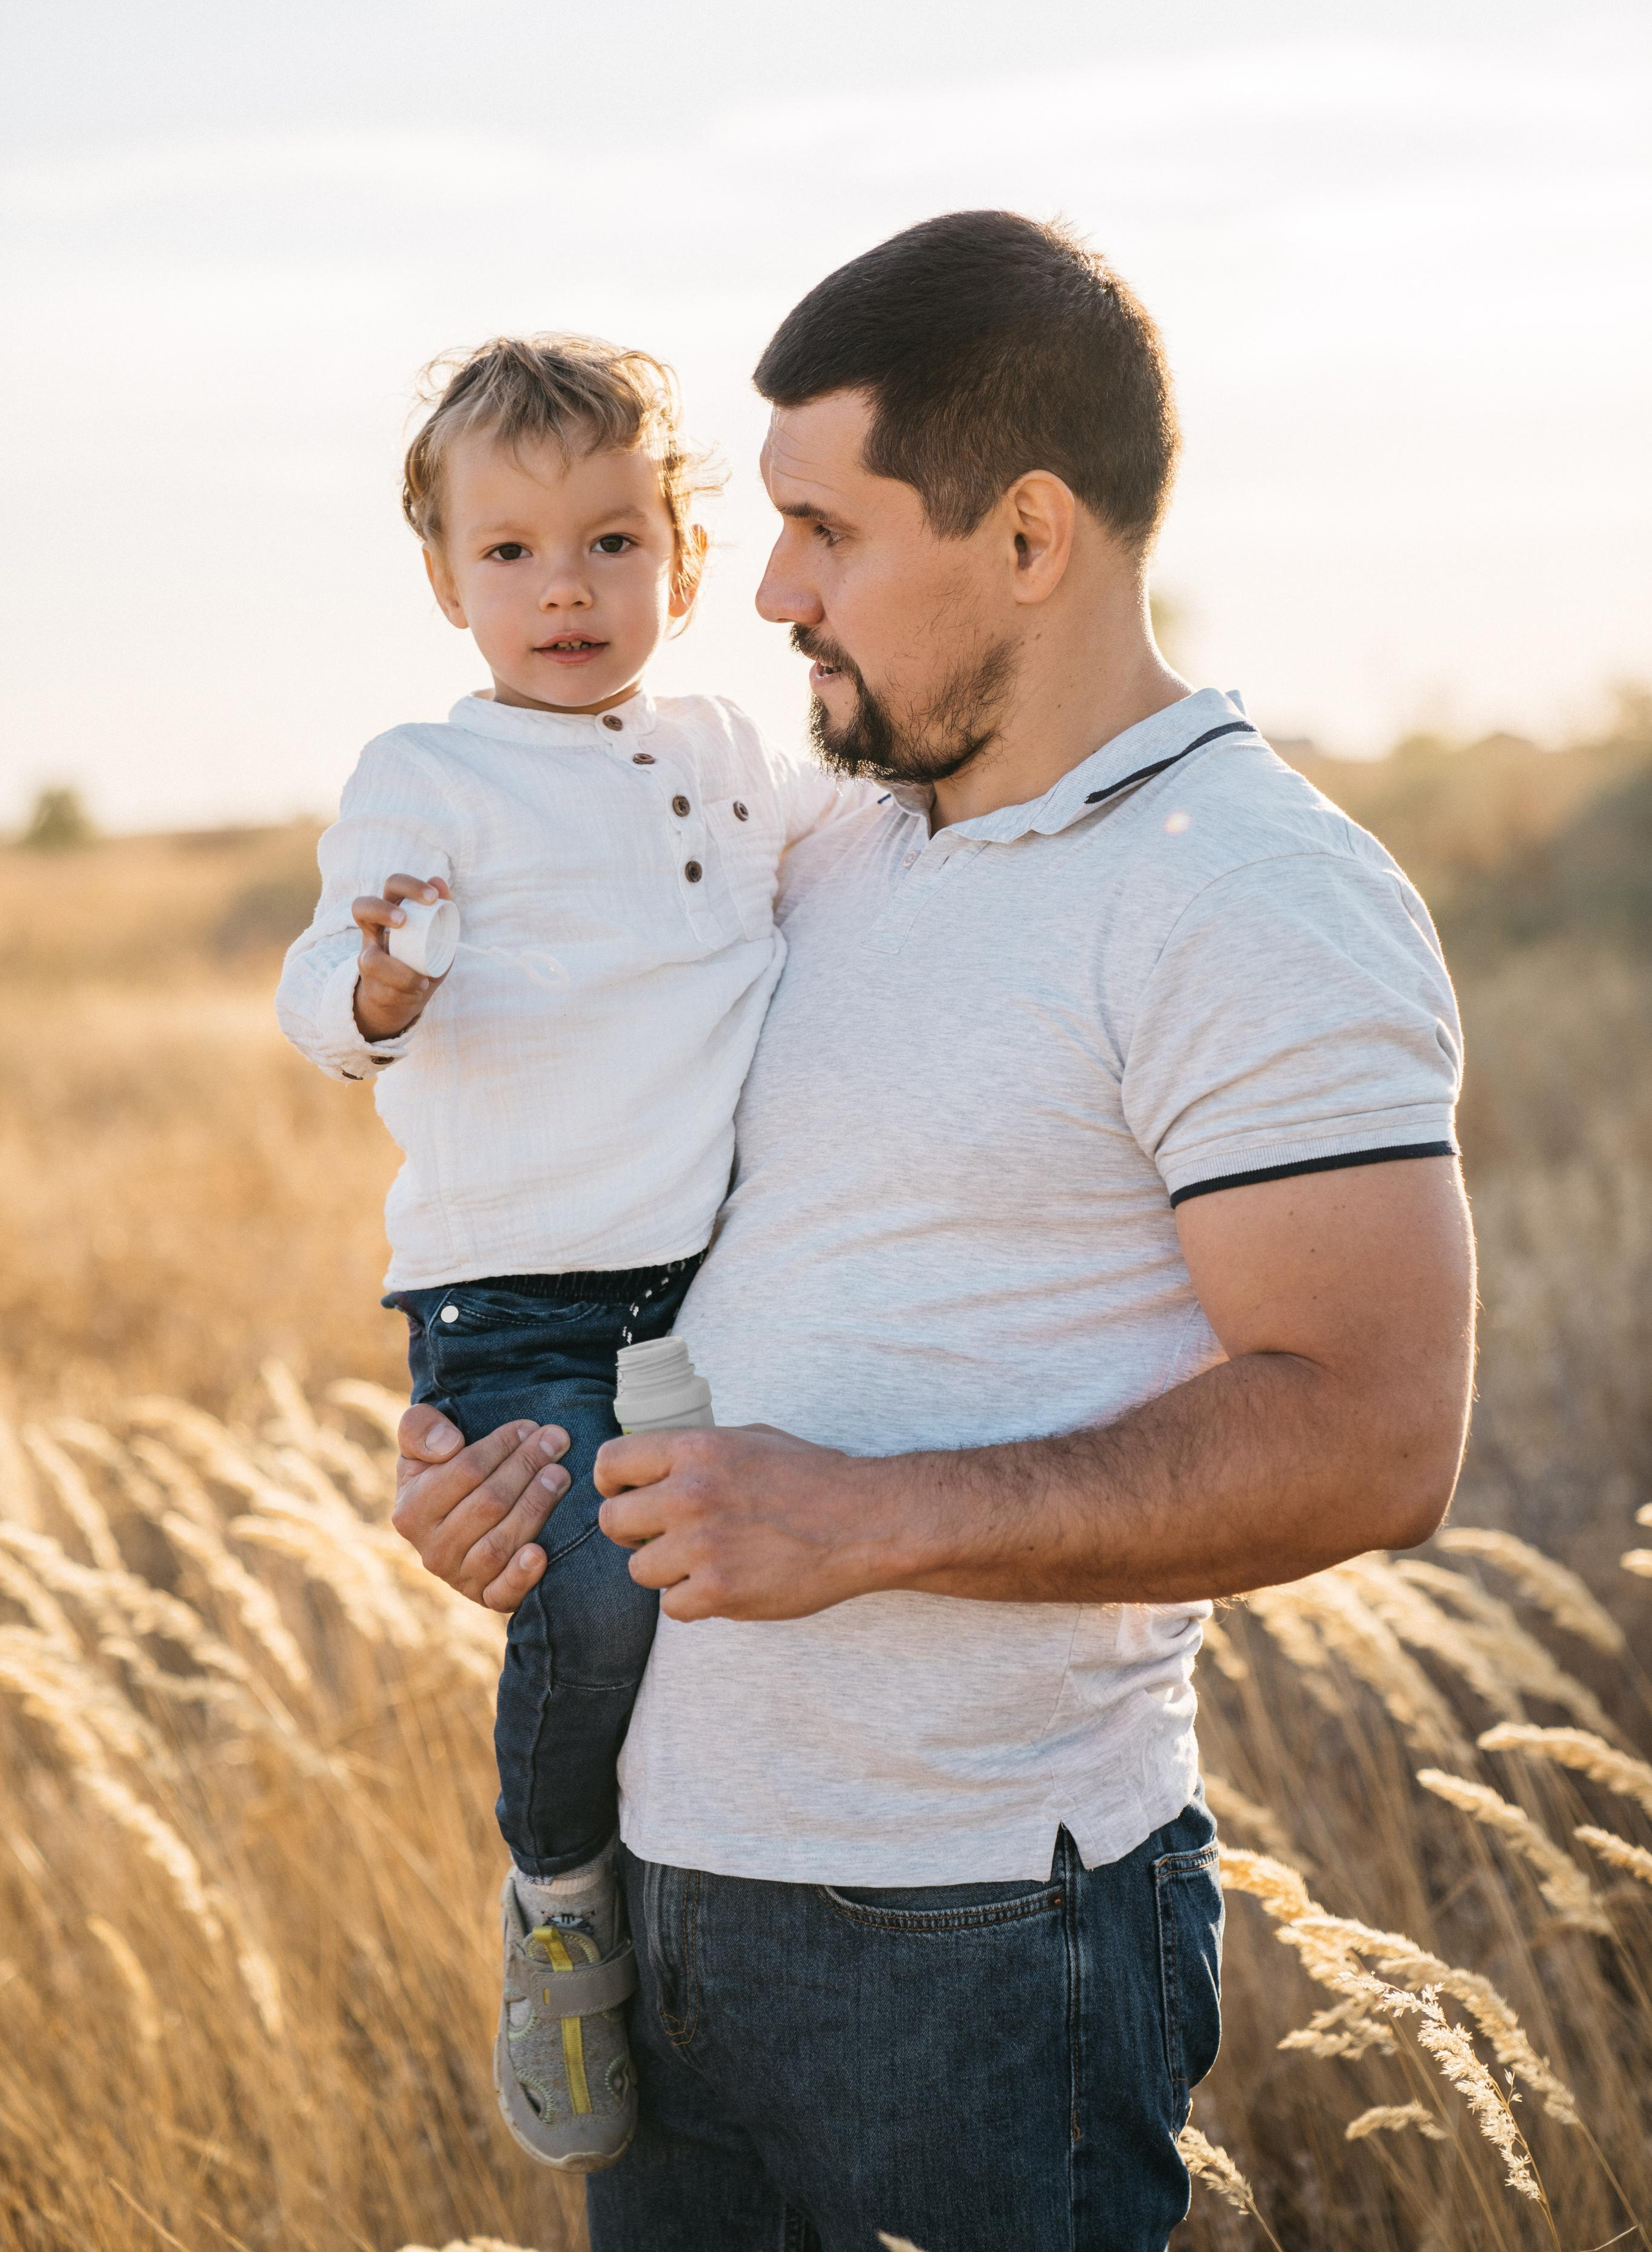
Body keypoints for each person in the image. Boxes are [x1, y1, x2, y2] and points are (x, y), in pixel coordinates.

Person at [391, 212, 1476, 2252]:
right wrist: (498, 1456)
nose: (771, 589)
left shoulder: (1246, 891)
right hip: (663, 1884)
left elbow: (1377, 1435)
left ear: (1032, 537)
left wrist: (869, 1519)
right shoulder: (829, 842)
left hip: (977, 1938)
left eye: (826, 529)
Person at [275, 335, 848, 2171]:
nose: (566, 589)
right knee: (590, 1596)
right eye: (510, 552)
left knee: (742, 1586)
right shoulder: (427, 774)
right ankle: (559, 1898)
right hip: (513, 1292)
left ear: (683, 561)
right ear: (446, 578)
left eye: (611, 541)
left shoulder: (731, 750)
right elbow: (316, 993)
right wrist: (378, 985)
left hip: (707, 1281)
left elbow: (845, 863)